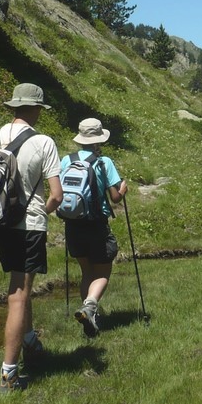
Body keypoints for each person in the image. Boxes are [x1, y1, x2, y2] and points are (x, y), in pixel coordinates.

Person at [0, 83, 62, 392]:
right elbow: (56, 196)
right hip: (27, 224)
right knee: (18, 294)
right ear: (36, 110)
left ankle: (31, 343)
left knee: (22, 285)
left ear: (14, 107)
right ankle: (9, 373)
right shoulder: (43, 142)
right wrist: (41, 212)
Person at [60, 117, 128, 338]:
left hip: (72, 224)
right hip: (96, 224)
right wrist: (124, 189)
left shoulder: (66, 160)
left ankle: (90, 317)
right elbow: (115, 197)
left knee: (86, 271)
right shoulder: (103, 162)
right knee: (103, 271)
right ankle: (90, 307)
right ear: (99, 140)